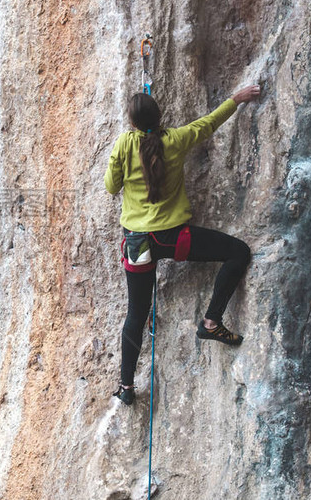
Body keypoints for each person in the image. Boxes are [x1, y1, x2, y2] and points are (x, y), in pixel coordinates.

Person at [104, 85, 261, 405]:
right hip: (174, 239)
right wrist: (236, 99)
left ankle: (126, 386)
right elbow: (208, 123)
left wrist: (120, 157)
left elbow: (111, 186)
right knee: (238, 252)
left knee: (136, 312)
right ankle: (211, 322)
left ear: (132, 124)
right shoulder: (174, 141)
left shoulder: (124, 143)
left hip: (137, 243)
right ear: (159, 118)